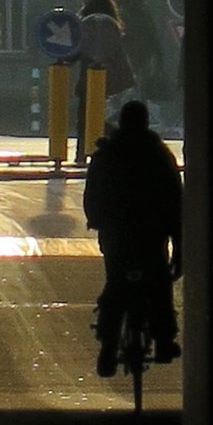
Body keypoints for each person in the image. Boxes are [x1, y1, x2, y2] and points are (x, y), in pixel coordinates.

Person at [83, 100, 182, 377]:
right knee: (159, 284)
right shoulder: (159, 155)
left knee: (116, 284)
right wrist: (179, 246)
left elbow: (92, 194)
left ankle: (108, 347)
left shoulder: (106, 155)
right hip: (152, 234)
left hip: (116, 234)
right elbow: (175, 200)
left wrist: (97, 220)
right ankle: (164, 340)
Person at [75, 0, 134, 164]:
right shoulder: (97, 15)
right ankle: (84, 152)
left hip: (98, 72)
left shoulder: (97, 18)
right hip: (94, 71)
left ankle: (86, 152)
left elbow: (90, 46)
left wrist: (69, 57)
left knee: (88, 114)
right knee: (89, 113)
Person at [111, 0, 167, 105]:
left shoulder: (114, 7)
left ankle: (118, 105)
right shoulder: (142, 7)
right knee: (140, 80)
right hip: (142, 51)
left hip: (119, 50)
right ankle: (138, 104)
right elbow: (151, 32)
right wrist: (159, 57)